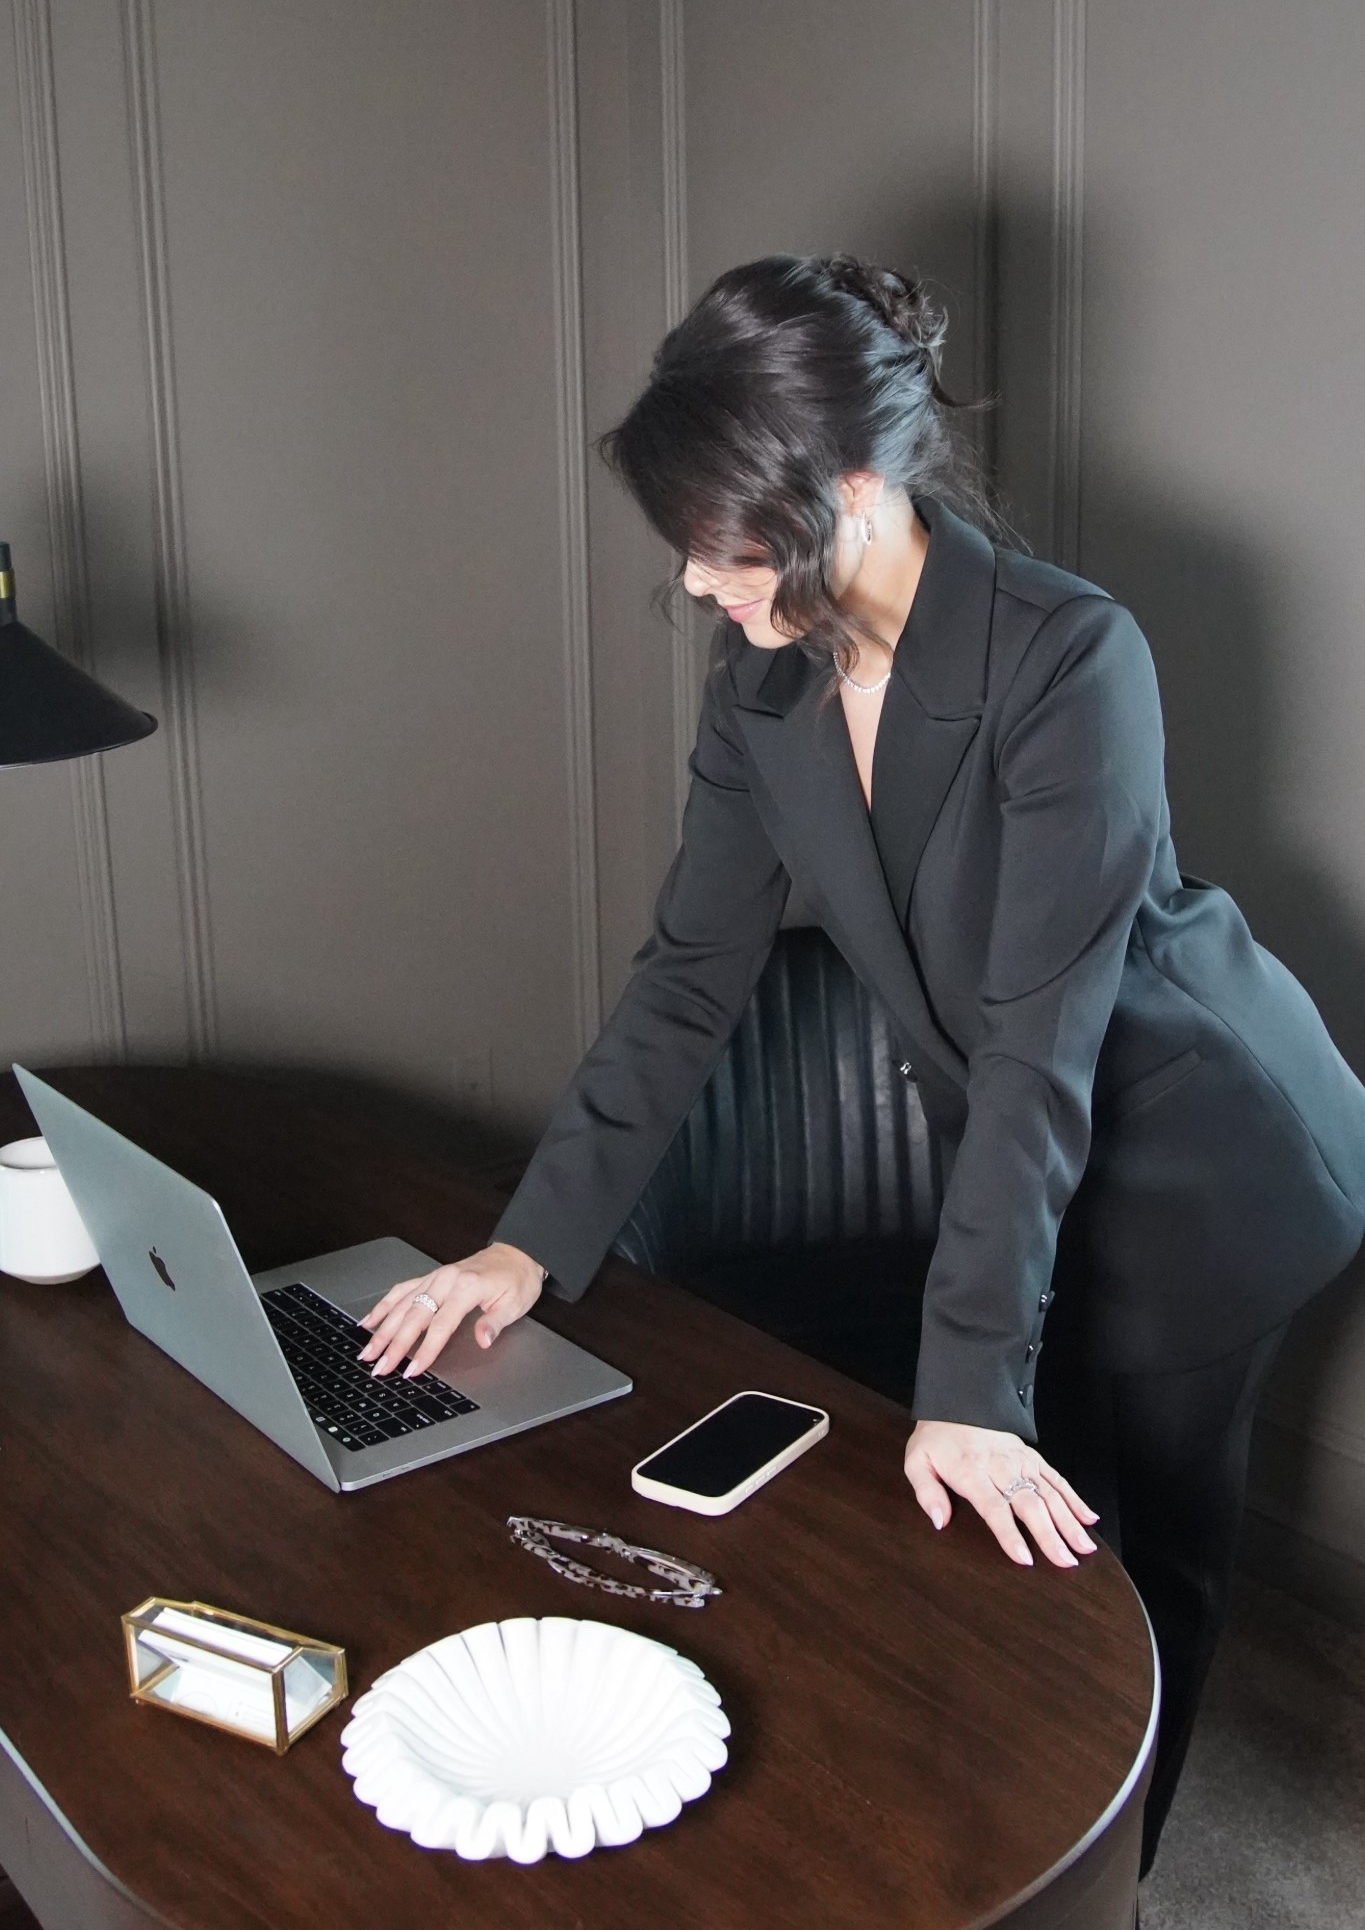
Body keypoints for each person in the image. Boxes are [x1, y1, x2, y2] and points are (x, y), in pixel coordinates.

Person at [357, 253, 1365, 1878]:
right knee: (1008, 1546)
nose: (696, 583)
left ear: (849, 485)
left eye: (720, 542)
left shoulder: (1068, 659)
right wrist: (527, 1240)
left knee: (1135, 1570)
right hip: (1032, 1159)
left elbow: (1043, 1049)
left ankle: (1107, 1892)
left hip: (1200, 1162)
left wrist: (969, 1389)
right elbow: (689, 975)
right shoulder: (761, 679)